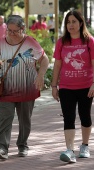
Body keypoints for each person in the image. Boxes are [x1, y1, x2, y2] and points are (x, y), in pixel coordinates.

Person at [0, 15, 49, 159]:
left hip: (27, 87)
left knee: (24, 119)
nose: (12, 34)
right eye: (9, 31)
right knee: (5, 117)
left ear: (22, 29)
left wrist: (40, 75)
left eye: (15, 31)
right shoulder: (2, 42)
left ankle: (22, 144)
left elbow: (44, 59)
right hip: (5, 87)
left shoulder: (30, 42)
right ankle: (1, 148)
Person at [51, 10, 94, 163]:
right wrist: (54, 86)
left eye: (74, 21)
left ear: (81, 23)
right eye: (68, 22)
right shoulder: (61, 42)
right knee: (68, 118)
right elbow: (57, 65)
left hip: (86, 86)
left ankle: (85, 145)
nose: (71, 25)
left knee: (85, 116)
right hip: (66, 87)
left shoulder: (89, 41)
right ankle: (70, 150)